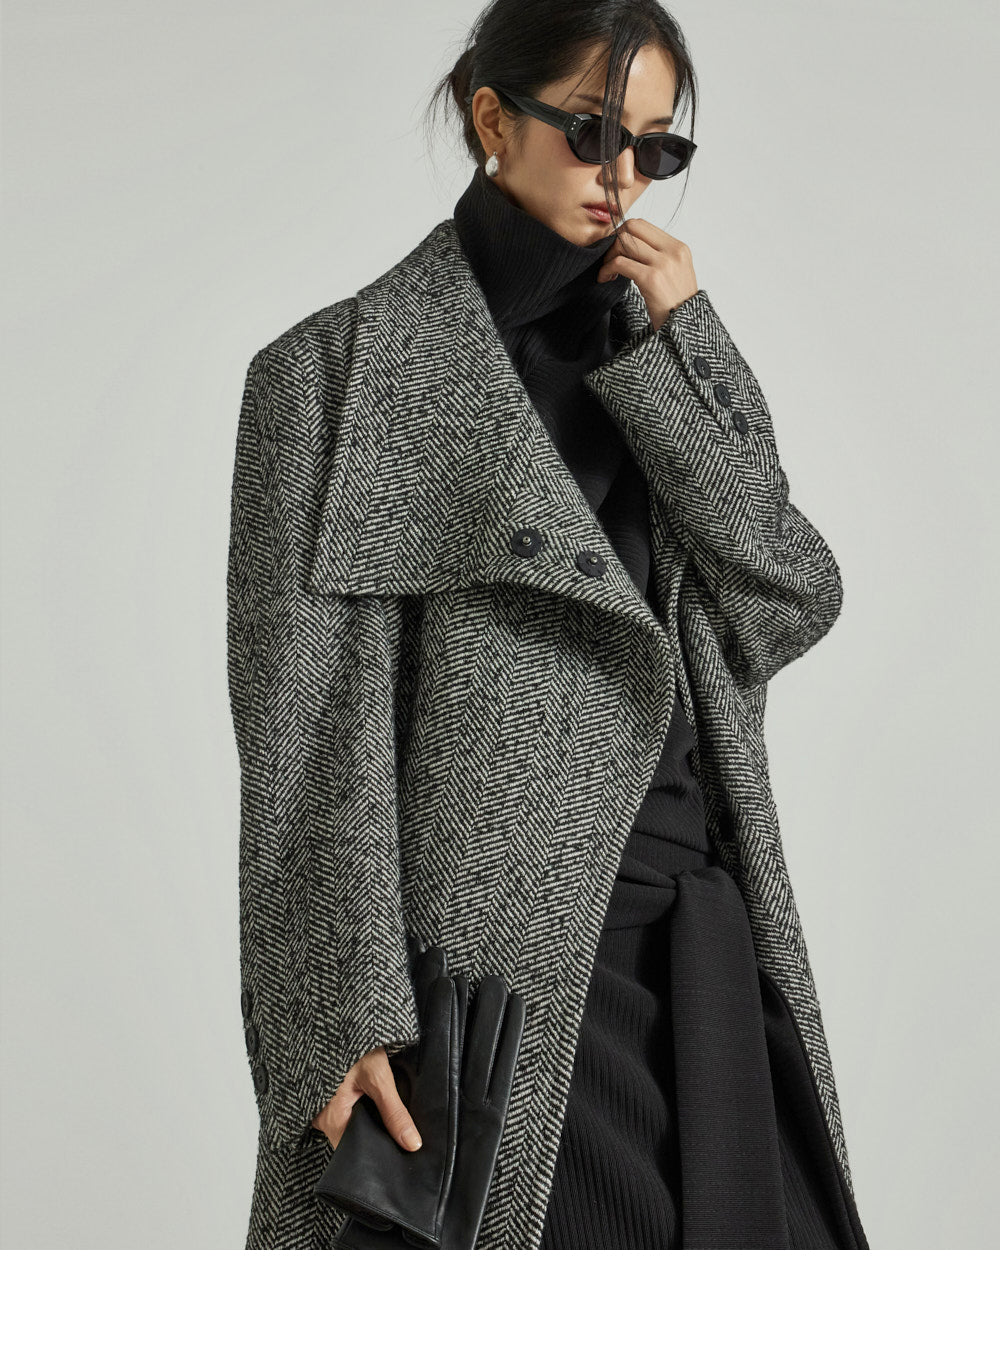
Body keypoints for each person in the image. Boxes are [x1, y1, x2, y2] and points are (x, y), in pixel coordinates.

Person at [227, 0, 869, 1249]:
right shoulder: (332, 375)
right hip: (493, 977)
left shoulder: (655, 350)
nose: (621, 175)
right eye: (589, 131)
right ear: (490, 118)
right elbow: (301, 732)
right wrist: (334, 1012)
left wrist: (688, 343)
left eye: (655, 147)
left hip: (703, 937)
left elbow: (788, 596)